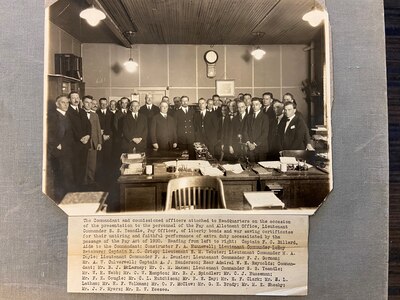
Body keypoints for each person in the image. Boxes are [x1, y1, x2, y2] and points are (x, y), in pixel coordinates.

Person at [47, 95, 75, 202]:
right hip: (58, 152)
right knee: (60, 177)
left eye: (67, 103)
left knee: (67, 175)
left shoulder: (67, 115)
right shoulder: (53, 115)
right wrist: (57, 144)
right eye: (63, 102)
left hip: (67, 151)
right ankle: (60, 200)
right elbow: (49, 134)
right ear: (57, 104)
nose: (66, 105)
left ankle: (67, 199)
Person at [66, 91, 90, 190]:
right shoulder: (68, 112)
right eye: (73, 98)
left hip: (84, 144)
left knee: (83, 166)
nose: (76, 100)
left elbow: (89, 125)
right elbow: (69, 128)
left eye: (77, 97)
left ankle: (81, 187)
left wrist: (88, 136)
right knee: (75, 167)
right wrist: (80, 138)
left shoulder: (83, 111)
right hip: (75, 144)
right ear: (69, 100)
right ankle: (75, 189)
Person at [81, 96, 102, 187]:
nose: (89, 105)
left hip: (94, 142)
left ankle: (91, 180)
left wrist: (99, 142)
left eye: (91, 103)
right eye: (87, 102)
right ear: (82, 103)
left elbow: (98, 129)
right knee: (83, 163)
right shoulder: (79, 113)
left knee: (92, 163)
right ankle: (83, 182)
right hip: (83, 143)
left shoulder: (95, 115)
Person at [243, 97, 269, 162]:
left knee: (261, 169)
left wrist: (254, 144)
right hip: (250, 148)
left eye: (256, 104)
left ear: (260, 105)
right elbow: (245, 131)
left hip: (261, 148)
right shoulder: (249, 117)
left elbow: (265, 133)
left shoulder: (265, 117)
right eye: (253, 105)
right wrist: (248, 143)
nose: (254, 106)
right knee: (251, 167)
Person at [96, 97, 113, 186]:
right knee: (100, 159)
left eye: (105, 103)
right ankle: (100, 179)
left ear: (107, 104)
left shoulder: (111, 114)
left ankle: (108, 178)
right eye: (101, 103)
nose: (103, 105)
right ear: (99, 104)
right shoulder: (96, 113)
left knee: (108, 158)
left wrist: (108, 135)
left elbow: (113, 126)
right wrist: (102, 136)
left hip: (109, 139)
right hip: (100, 139)